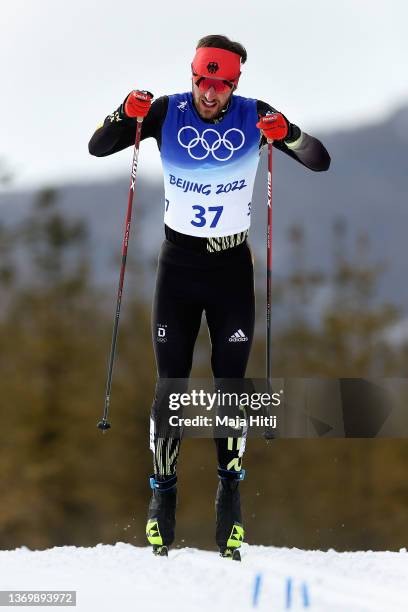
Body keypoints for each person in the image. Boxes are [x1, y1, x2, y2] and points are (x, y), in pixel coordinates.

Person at [88, 34, 330, 560]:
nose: (210, 95)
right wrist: (122, 113)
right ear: (192, 76)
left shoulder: (255, 114)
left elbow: (319, 158)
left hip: (229, 269)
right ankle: (163, 497)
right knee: (171, 383)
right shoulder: (164, 112)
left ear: (235, 83)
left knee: (230, 385)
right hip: (178, 267)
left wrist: (286, 135)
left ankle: (230, 494)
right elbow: (99, 146)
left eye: (220, 85)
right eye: (202, 82)